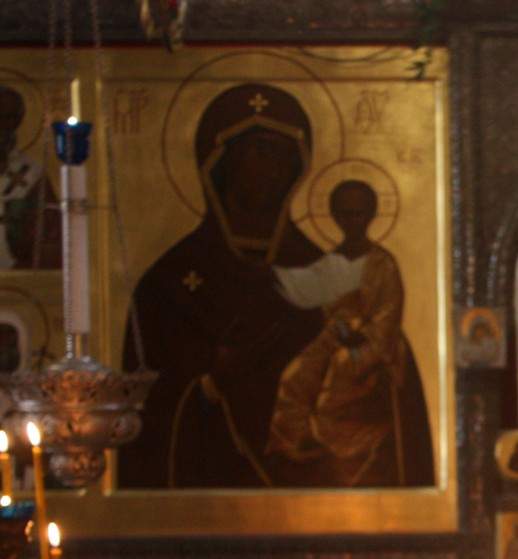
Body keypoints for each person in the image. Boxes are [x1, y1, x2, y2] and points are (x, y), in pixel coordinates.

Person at [120, 84, 327, 488]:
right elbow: (140, 414)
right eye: (261, 152)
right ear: (221, 160)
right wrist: (212, 383)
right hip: (200, 488)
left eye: (285, 157)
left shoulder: (324, 275)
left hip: (312, 494)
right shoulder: (167, 284)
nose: (273, 169)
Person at [262, 178, 435, 487]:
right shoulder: (333, 261)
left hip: (375, 343)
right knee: (296, 373)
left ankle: (328, 444)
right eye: (343, 214)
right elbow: (312, 293)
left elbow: (388, 317)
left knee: (342, 369)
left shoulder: (383, 264)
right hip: (337, 335)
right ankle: (292, 443)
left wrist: (360, 338)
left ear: (369, 216)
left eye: (357, 213)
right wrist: (267, 273)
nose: (350, 220)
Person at [0, 84, 60, 271]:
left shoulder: (32, 176)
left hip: (22, 284)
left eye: (8, 118)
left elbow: (55, 240)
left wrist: (22, 267)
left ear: (17, 121)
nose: (1, 125)